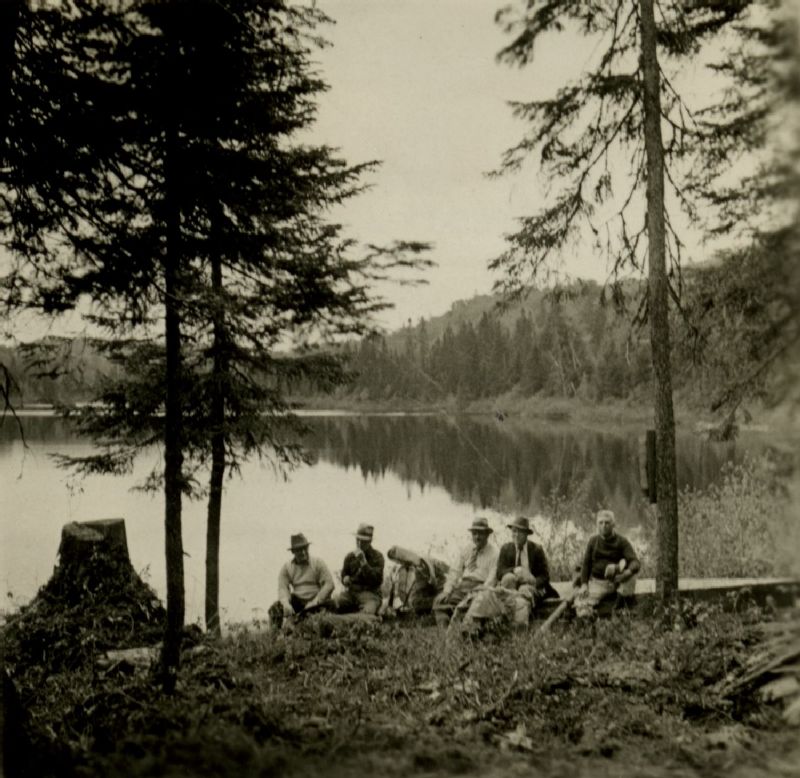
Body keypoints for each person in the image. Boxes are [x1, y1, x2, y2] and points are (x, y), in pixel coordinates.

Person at [432, 517, 499, 627]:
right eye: (474, 533)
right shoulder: (467, 549)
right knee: (439, 602)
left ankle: (459, 624)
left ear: (487, 534)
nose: (477, 537)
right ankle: (444, 630)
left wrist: (478, 592)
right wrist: (447, 590)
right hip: (462, 586)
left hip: (479, 588)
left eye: (480, 533)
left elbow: (491, 579)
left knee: (469, 609)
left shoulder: (494, 553)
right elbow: (455, 571)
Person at [574, 509, 640, 618]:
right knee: (581, 608)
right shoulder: (593, 541)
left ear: (613, 524)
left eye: (607, 523)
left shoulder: (622, 541)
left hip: (617, 582)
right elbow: (586, 565)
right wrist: (584, 584)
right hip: (598, 583)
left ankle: (617, 608)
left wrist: (626, 574)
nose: (604, 526)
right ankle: (591, 624)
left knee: (631, 578)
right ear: (597, 524)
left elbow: (635, 562)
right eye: (601, 522)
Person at [268, 533, 334, 630]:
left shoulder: (318, 563)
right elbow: (282, 588)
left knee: (330, 610)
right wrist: (286, 604)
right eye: (299, 550)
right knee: (275, 609)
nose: (303, 552)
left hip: (317, 601)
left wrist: (316, 601)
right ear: (293, 552)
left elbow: (329, 584)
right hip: (298, 601)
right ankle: (274, 638)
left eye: (305, 548)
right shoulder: (287, 567)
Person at [495, 516, 559, 608]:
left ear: (526, 534)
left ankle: (522, 611)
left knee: (524, 590)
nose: (516, 535)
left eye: (519, 532)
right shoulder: (506, 549)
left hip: (530, 587)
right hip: (511, 587)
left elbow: (545, 576)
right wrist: (514, 570)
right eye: (514, 531)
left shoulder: (537, 550)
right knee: (508, 578)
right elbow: (499, 572)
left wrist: (532, 580)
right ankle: (507, 609)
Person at [379, 545, 448, 617]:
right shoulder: (401, 570)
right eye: (397, 561)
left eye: (399, 560)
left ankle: (441, 604)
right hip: (426, 593)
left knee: (416, 602)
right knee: (415, 602)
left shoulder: (421, 562)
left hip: (440, 590)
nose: (399, 562)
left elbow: (435, 581)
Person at [334, 523, 385, 615]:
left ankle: (362, 619)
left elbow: (377, 580)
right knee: (334, 604)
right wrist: (345, 578)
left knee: (368, 611)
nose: (360, 543)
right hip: (351, 593)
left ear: (370, 542)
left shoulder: (377, 557)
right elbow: (344, 574)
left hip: (370, 594)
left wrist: (364, 564)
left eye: (364, 541)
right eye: (358, 539)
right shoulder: (350, 556)